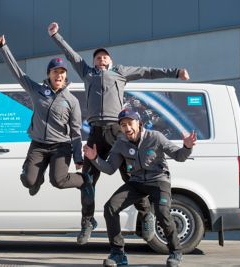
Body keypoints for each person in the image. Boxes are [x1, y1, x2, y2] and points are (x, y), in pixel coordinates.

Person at [48, 21, 190, 244]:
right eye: (97, 57)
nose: (101, 59)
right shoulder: (87, 73)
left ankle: (146, 216)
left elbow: (147, 72)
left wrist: (175, 72)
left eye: (105, 56)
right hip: (96, 133)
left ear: (110, 60)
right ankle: (87, 221)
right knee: (87, 179)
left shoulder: (120, 72)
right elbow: (71, 55)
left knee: (131, 176)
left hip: (118, 132)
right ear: (94, 62)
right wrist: (56, 36)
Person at [83, 109, 197, 267]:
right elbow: (110, 169)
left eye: (130, 123)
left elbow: (179, 156)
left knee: (162, 212)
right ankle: (118, 254)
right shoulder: (120, 142)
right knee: (110, 207)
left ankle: (175, 252)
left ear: (139, 124)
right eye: (123, 125)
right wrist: (95, 158)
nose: (127, 128)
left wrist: (187, 147)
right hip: (136, 182)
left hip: (158, 181)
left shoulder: (155, 137)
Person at [0, 35, 93, 198]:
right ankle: (36, 179)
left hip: (60, 147)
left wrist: (78, 157)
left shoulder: (71, 100)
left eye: (62, 72)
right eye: (55, 72)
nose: (59, 75)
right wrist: (3, 48)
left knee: (58, 181)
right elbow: (18, 74)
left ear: (65, 77)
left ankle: (84, 180)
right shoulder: (37, 91)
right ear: (49, 74)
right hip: (38, 145)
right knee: (28, 180)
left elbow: (76, 132)